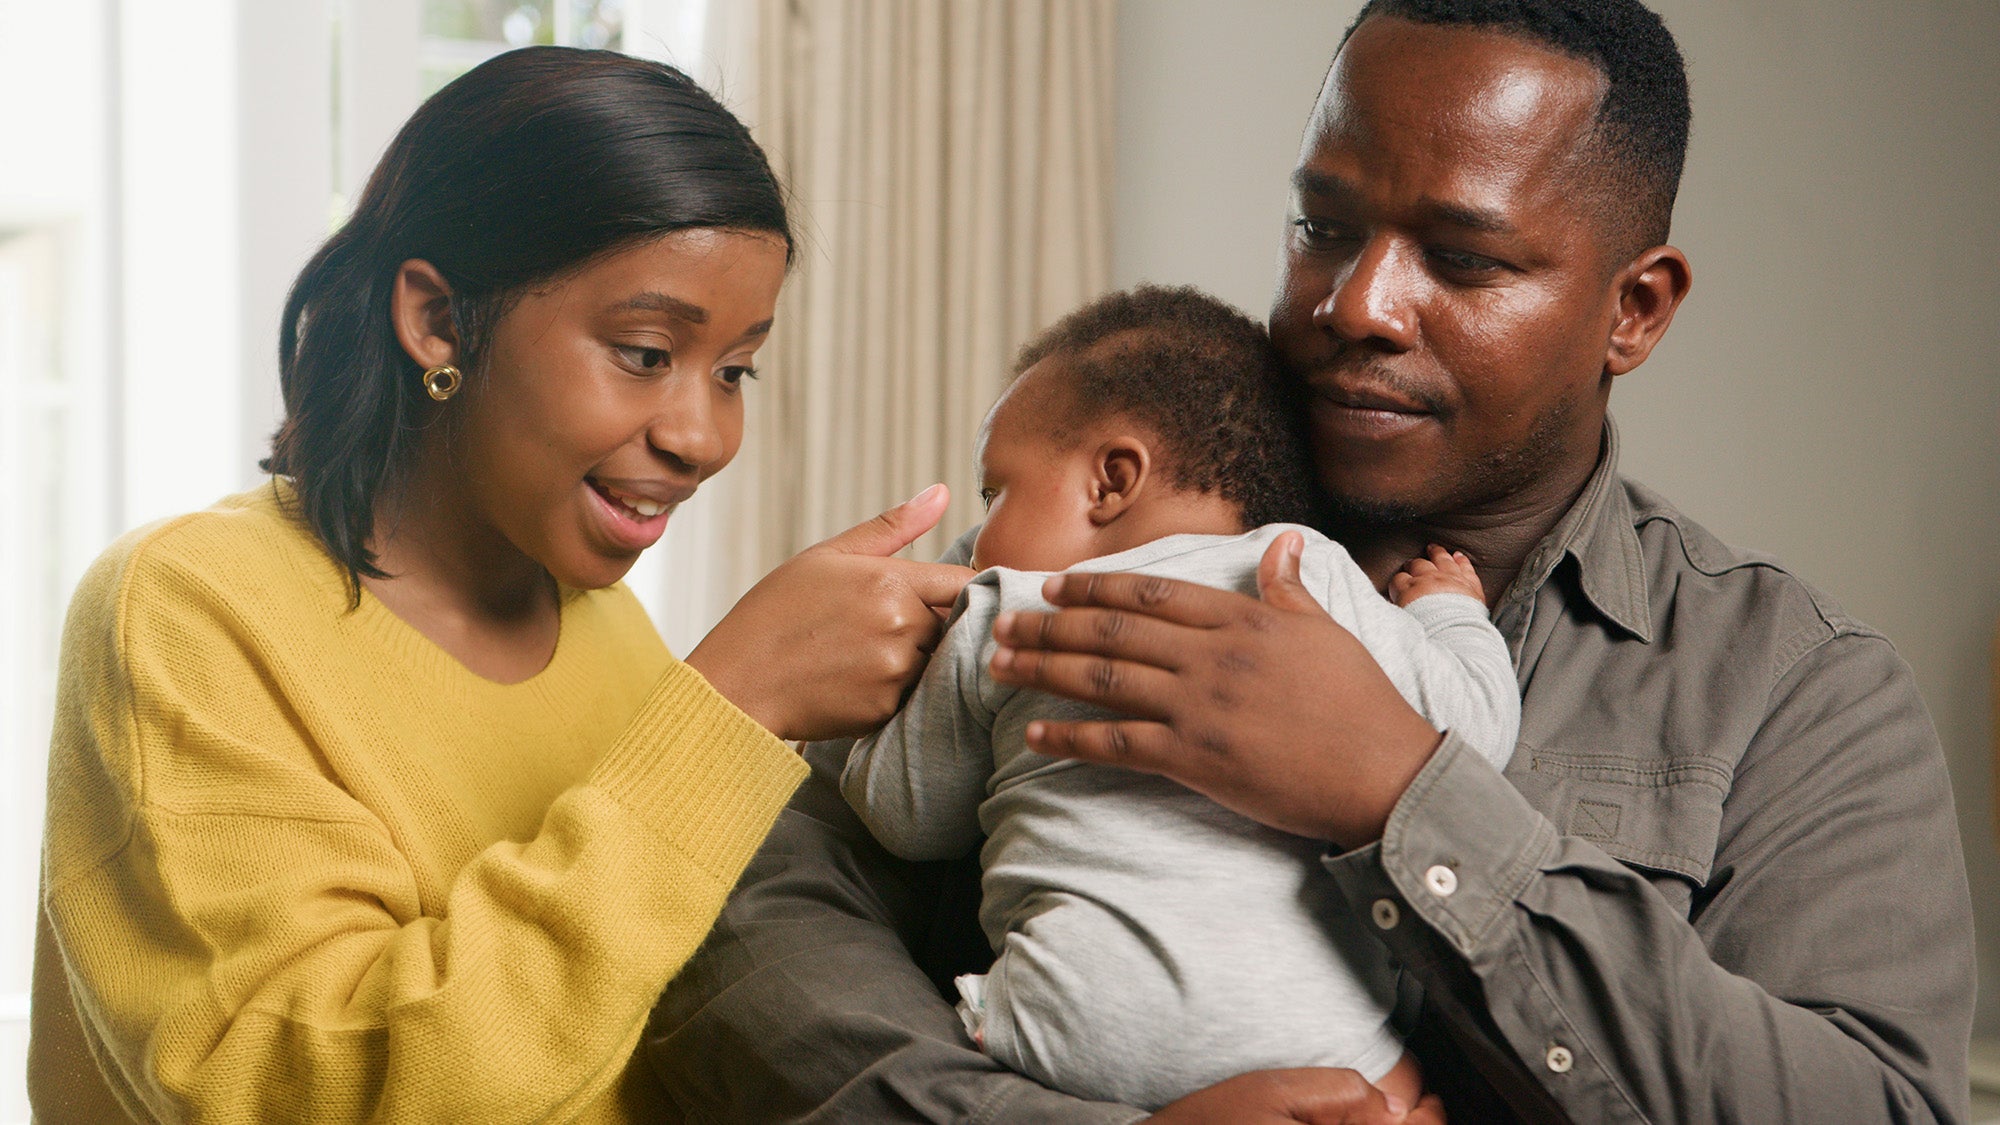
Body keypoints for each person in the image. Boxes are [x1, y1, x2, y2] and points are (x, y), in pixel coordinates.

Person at [644, 2, 1976, 1123]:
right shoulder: (1075, 564)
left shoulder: (1798, 695)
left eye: (1460, 257)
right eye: (1323, 230)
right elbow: (746, 928)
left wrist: (1406, 796)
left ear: (1633, 309)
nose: (1359, 304)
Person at [28, 47, 971, 1124]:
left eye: (733, 371)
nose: (703, 436)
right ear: (437, 322)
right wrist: (729, 711)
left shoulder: (608, 630)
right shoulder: (185, 607)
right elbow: (316, 1094)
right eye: (643, 350)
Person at [840, 286, 1519, 1112]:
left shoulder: (1008, 605)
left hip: (1065, 1034)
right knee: (1407, 1084)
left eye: (995, 493)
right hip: (1329, 1055)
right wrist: (1448, 608)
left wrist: (901, 671)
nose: (980, 538)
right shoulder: (1313, 578)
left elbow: (904, 814)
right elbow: (1478, 732)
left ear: (1112, 480)